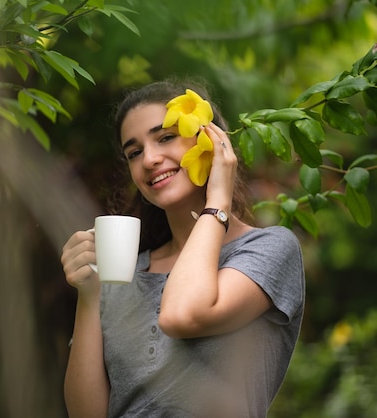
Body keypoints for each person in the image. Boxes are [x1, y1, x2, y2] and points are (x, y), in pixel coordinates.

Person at [60, 79, 305, 418]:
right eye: (134, 152)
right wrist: (89, 295)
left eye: (165, 138)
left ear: (213, 142)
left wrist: (217, 201)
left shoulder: (269, 250)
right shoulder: (122, 275)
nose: (149, 159)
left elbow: (182, 315)